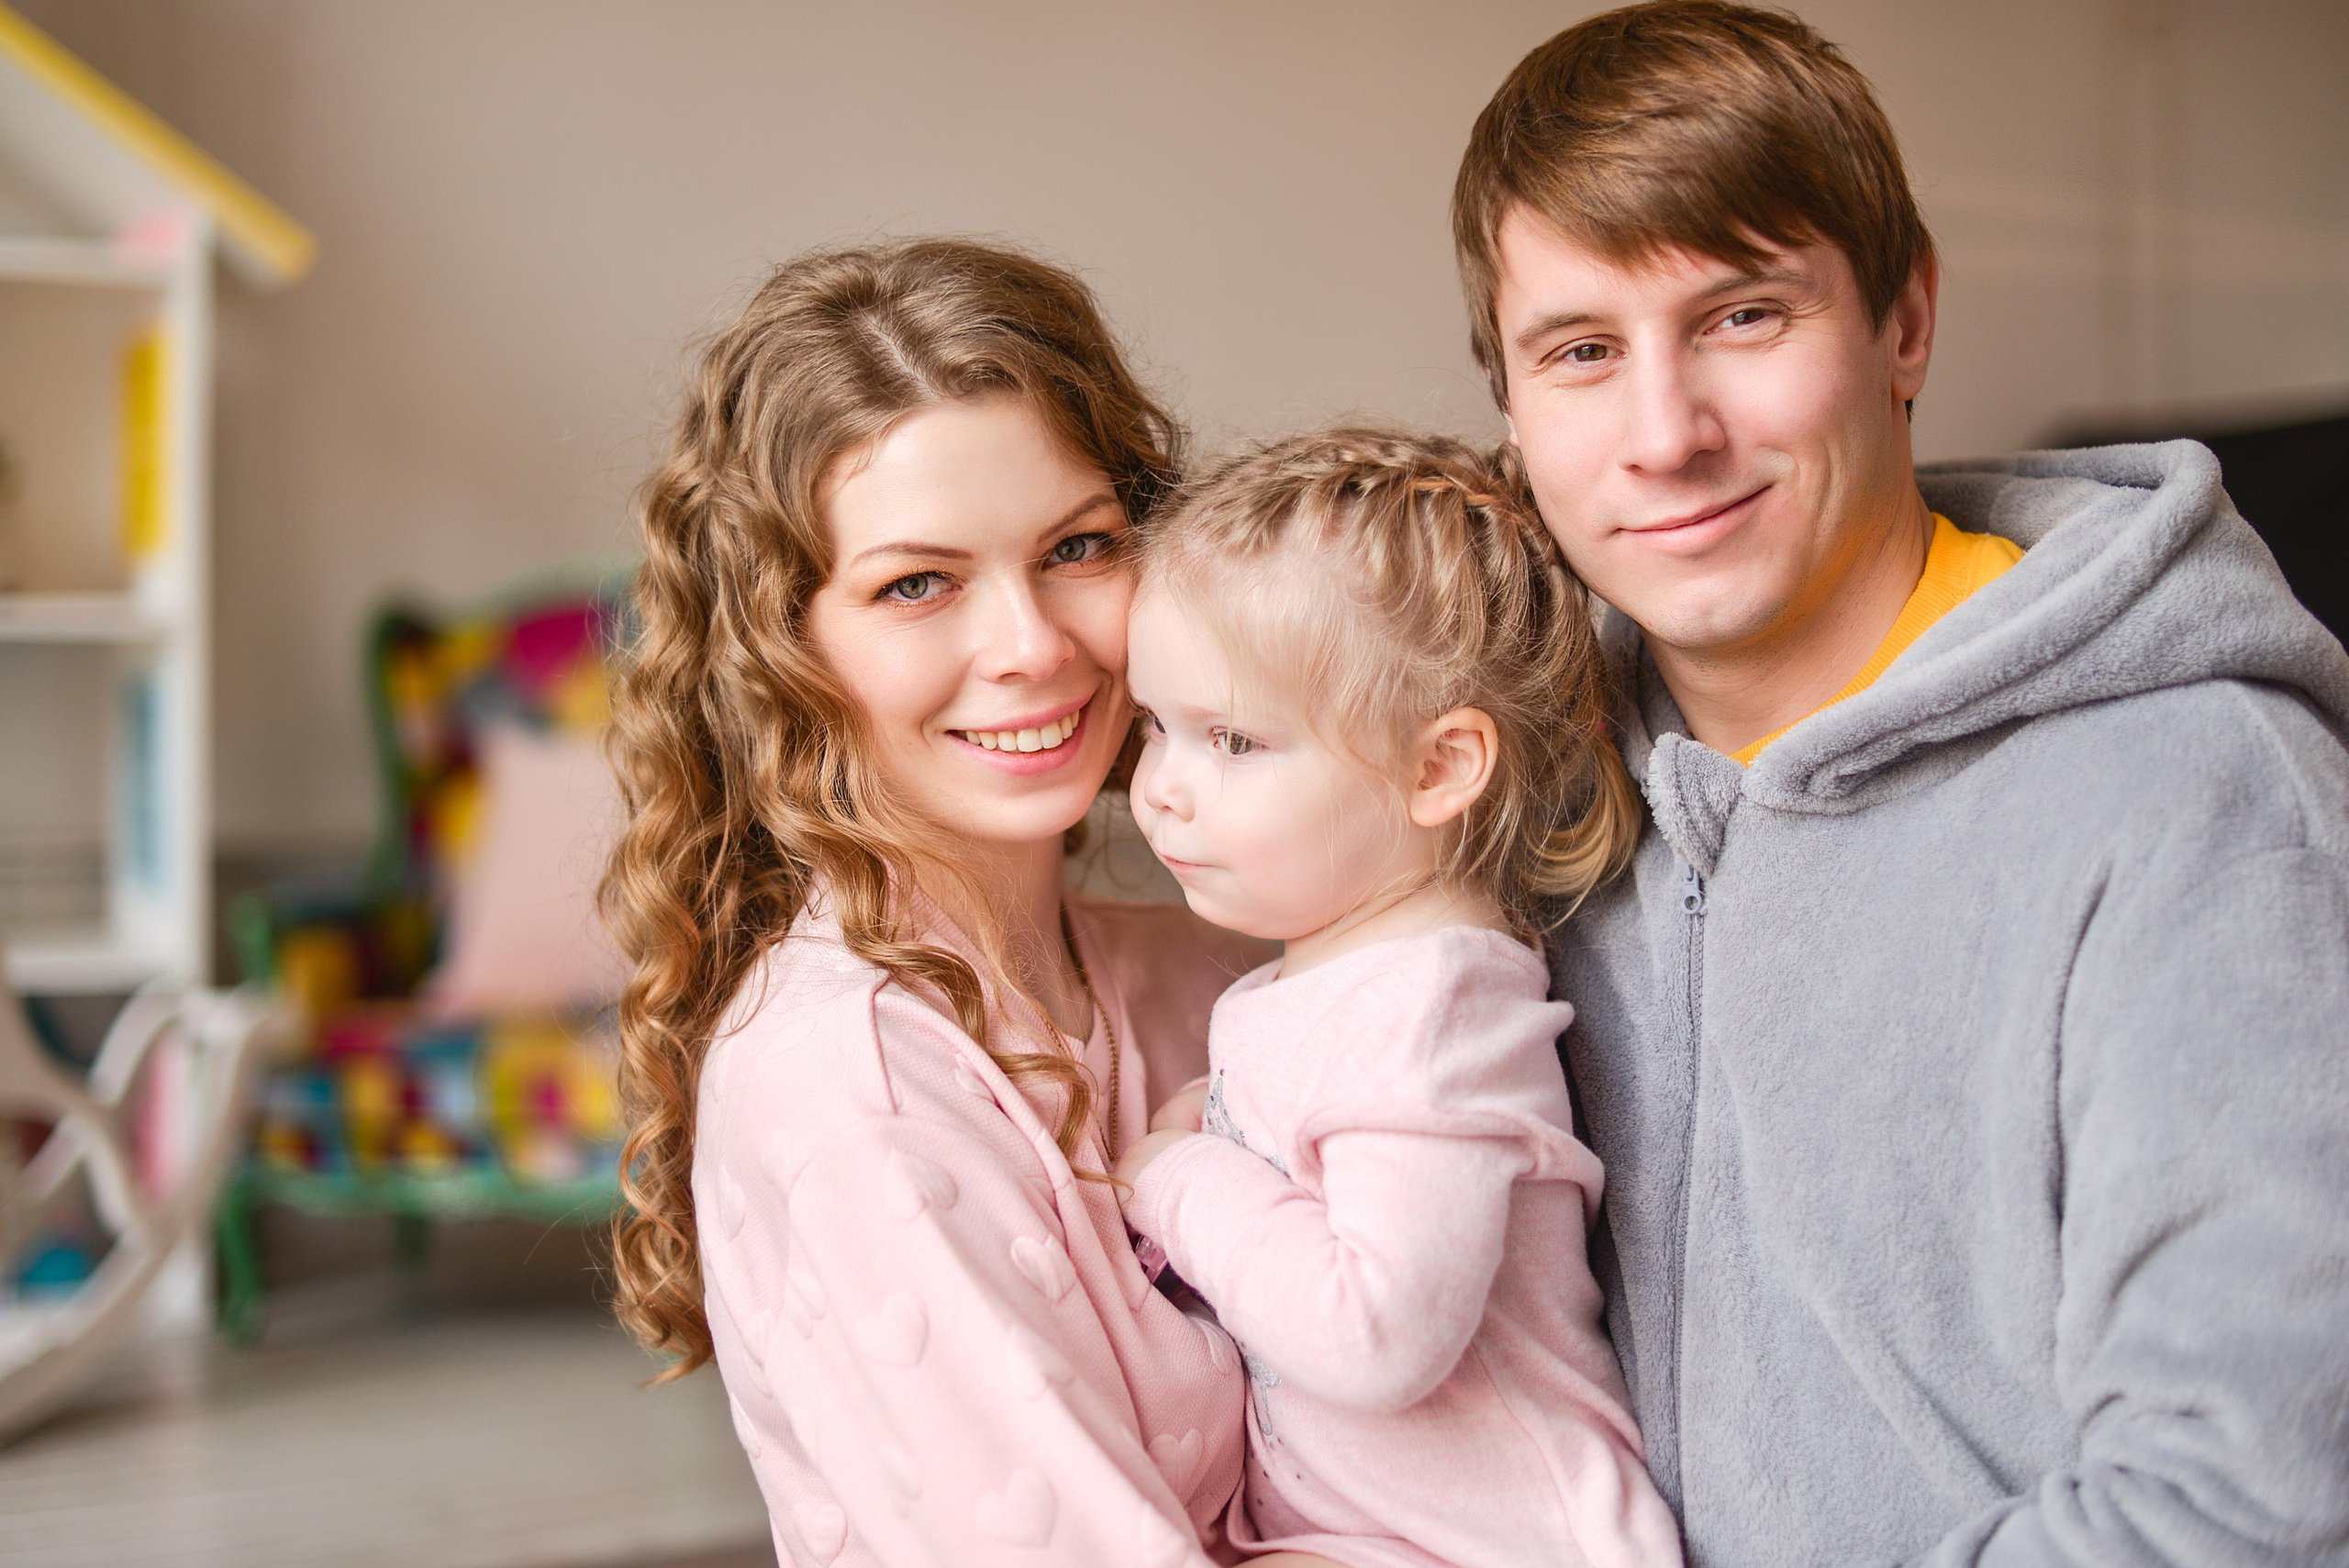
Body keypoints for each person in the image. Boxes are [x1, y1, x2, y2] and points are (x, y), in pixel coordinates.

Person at [1449, 5, 2349, 1566]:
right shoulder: (1519, 799)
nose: (1666, 434)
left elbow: (2250, 1500)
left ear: (1906, 321)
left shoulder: (2198, 793)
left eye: (1743, 317)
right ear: (1512, 405)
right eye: (1582, 352)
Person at [602, 239, 1343, 1568]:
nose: (1033, 644)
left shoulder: (1211, 968)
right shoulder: (856, 1079)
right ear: (781, 646)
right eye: (916, 583)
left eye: (1077, 548)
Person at [1109, 428, 1684, 1568]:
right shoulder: (1348, 975)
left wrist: (1175, 1177)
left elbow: (1374, 1330)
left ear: (1438, 767)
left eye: (1232, 739)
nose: (1160, 787)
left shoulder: (1433, 1014)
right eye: (1153, 726)